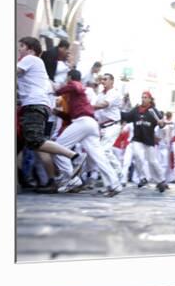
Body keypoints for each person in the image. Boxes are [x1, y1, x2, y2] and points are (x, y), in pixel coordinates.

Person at [53, 69, 123, 197]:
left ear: (69, 78)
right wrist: (58, 112)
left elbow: (75, 87)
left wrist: (56, 89)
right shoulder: (78, 93)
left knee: (58, 147)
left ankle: (71, 178)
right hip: (92, 124)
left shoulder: (76, 86)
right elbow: (70, 116)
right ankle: (114, 184)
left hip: (87, 122)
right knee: (99, 156)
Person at [16, 37, 80, 161]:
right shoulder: (38, 65)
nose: (19, 49)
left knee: (35, 141)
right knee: (20, 141)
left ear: (31, 49)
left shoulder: (30, 59)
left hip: (34, 105)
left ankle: (72, 156)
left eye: (22, 46)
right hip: (38, 105)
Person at [121, 91, 168, 192]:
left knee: (152, 161)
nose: (143, 99)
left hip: (148, 140)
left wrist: (161, 123)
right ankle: (143, 178)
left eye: (146, 97)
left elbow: (162, 123)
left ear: (150, 99)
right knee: (138, 156)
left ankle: (161, 180)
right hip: (137, 139)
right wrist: (117, 109)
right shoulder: (136, 110)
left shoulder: (153, 111)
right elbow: (126, 116)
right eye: (142, 97)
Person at [93, 73, 123, 181]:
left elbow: (103, 105)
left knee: (103, 151)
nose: (103, 81)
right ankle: (110, 180)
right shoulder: (100, 94)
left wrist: (88, 106)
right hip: (102, 127)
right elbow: (95, 107)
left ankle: (118, 172)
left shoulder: (114, 93)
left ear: (112, 81)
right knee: (102, 152)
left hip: (112, 125)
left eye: (105, 79)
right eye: (102, 80)